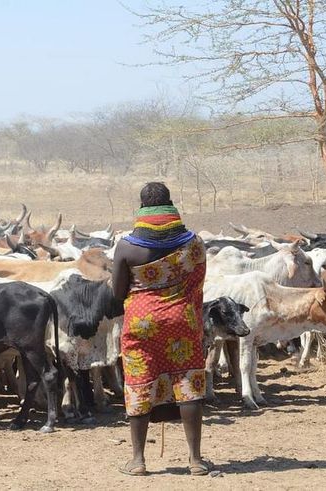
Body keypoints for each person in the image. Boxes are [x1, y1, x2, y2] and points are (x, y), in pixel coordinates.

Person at [112, 182, 209, 476]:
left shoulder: (127, 247)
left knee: (140, 383)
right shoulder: (194, 244)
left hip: (142, 324)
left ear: (142, 208)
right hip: (184, 321)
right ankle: (195, 460)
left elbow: (118, 293)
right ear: (170, 204)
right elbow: (199, 280)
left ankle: (138, 461)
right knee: (189, 385)